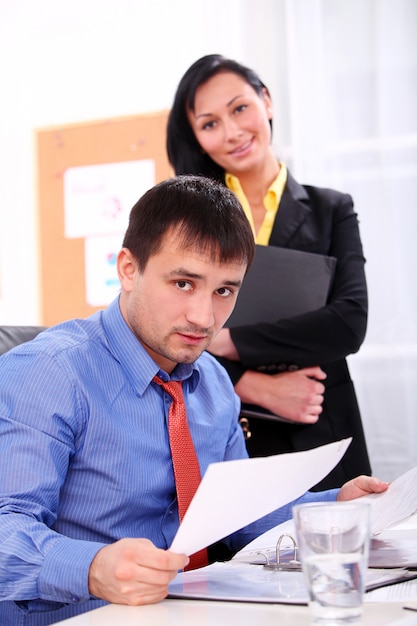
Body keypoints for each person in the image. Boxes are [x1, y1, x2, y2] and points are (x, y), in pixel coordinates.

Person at [0, 175, 387, 626]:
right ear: (128, 269)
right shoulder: (49, 372)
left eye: (224, 290)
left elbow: (238, 516)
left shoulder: (214, 382)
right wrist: (92, 568)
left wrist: (333, 505)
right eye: (184, 283)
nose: (204, 318)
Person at [167, 54, 372, 490]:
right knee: (243, 553)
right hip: (231, 433)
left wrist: (230, 341)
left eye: (240, 108)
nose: (233, 132)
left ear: (266, 101)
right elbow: (168, 332)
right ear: (198, 140)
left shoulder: (330, 209)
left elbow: (348, 322)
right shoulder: (188, 223)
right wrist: (251, 384)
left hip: (321, 427)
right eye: (209, 123)